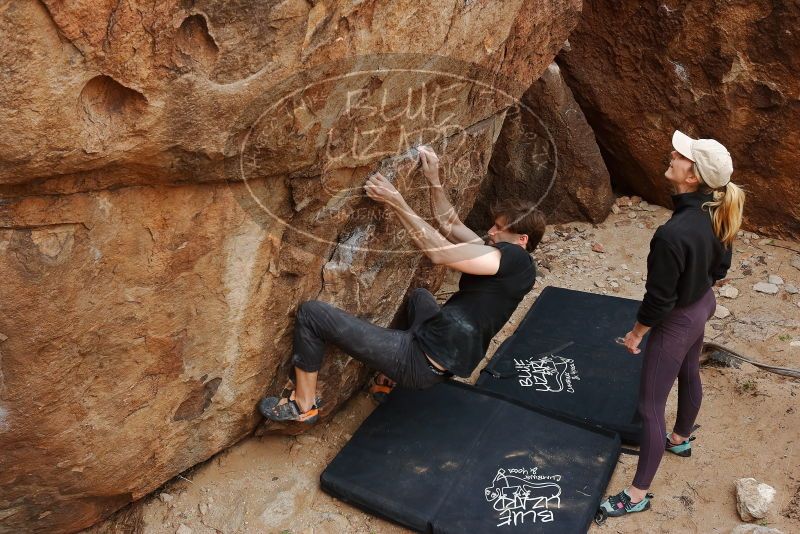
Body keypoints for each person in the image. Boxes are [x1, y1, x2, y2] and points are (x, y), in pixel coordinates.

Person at [258, 146, 545, 423]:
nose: (491, 231)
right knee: (420, 297)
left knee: (312, 314)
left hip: (419, 361)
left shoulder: (516, 259)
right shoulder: (505, 262)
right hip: (446, 348)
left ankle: (303, 405)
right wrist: (433, 180)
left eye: (499, 229)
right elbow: (451, 224)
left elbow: (439, 253)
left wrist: (397, 201)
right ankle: (388, 377)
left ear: (522, 240)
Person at [600, 130, 745, 517]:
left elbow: (659, 301)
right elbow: (722, 269)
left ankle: (636, 495)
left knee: (649, 407)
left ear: (692, 175)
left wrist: (636, 335)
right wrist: (697, 283)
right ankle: (679, 438)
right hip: (701, 307)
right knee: (688, 371)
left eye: (680, 155)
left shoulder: (672, 234)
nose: (673, 155)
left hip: (676, 321)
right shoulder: (717, 212)